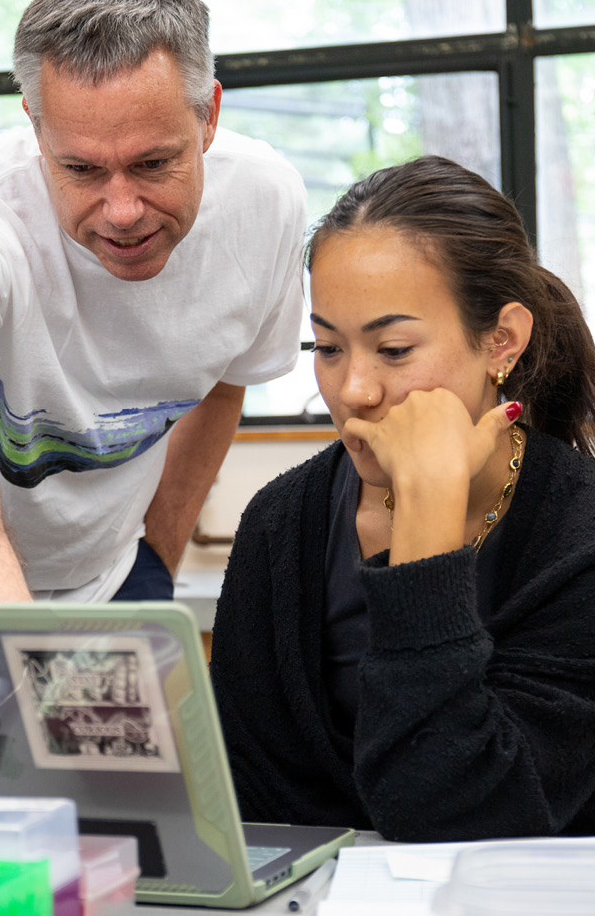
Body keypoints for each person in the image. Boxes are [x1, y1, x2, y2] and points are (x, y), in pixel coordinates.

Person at [0, 0, 305, 603]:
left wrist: (155, 566)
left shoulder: (264, 203)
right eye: (80, 168)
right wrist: (4, 624)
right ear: (34, 125)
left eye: (153, 164)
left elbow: (223, 384)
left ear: (209, 116)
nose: (122, 210)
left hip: (98, 579)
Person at [210, 155, 595, 842]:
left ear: (501, 341)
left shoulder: (577, 531)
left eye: (392, 349)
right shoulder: (281, 523)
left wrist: (426, 516)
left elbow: (458, 808)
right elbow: (242, 802)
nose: (353, 389)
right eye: (327, 347)